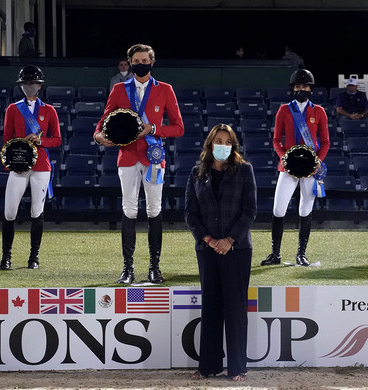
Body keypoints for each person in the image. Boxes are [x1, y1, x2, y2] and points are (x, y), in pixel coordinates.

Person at [94, 43, 184, 284]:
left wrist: (153, 128)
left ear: (152, 62)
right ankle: (128, 268)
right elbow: (104, 120)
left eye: (145, 60)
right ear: (130, 62)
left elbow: (178, 127)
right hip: (127, 156)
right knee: (129, 209)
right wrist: (98, 135)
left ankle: (155, 267)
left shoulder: (165, 89)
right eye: (137, 61)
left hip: (154, 156)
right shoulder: (119, 89)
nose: (141, 64)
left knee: (154, 209)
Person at [185, 123, 256, 382]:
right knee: (211, 308)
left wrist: (229, 240)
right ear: (210, 144)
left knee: (235, 309)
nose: (222, 145)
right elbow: (190, 213)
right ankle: (209, 366)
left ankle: (238, 367)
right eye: (218, 140)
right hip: (207, 250)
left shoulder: (244, 171)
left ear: (233, 145)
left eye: (227, 141)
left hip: (236, 250)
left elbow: (250, 211)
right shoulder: (196, 173)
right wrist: (207, 239)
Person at [0, 65, 61, 270]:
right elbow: (6, 138)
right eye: (25, 83)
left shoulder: (49, 110)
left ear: (40, 85)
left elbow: (57, 140)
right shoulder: (13, 109)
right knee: (10, 211)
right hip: (19, 165)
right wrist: (21, 143)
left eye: (32, 83)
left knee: (36, 211)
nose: (29, 86)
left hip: (41, 165)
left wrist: (40, 141)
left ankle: (34, 257)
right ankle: (6, 257)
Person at [261, 69, 330, 267]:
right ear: (293, 89)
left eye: (305, 86)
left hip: (310, 169)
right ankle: (275, 253)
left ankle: (301, 254)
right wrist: (285, 158)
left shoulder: (319, 112)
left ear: (311, 89)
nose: (302, 89)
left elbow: (325, 142)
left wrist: (318, 161)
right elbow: (276, 140)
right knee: (278, 209)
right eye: (298, 87)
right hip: (288, 168)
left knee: (305, 209)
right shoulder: (284, 110)